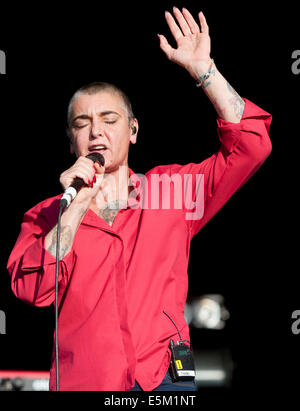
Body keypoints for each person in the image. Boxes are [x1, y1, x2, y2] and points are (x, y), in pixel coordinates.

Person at [7, 8, 272, 391]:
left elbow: (251, 147)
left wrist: (204, 71)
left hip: (163, 381)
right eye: (82, 124)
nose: (96, 131)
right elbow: (32, 291)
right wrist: (77, 206)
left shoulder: (173, 193)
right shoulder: (49, 213)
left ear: (133, 130)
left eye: (109, 120)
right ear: (71, 141)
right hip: (86, 383)